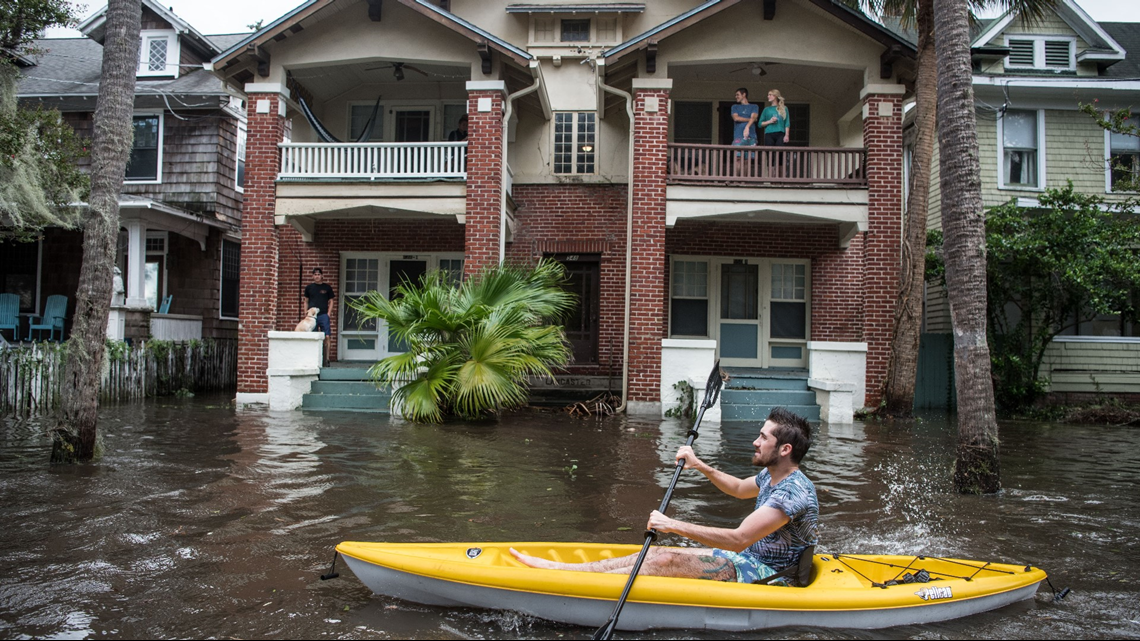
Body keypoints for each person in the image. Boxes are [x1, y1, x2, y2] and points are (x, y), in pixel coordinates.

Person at [511, 407, 818, 583]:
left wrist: (673, 525)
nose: (755, 442)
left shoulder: (793, 493)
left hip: (775, 576)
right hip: (752, 560)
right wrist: (699, 466)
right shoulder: (773, 475)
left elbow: (739, 539)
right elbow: (738, 488)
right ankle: (565, 571)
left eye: (763, 438)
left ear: (784, 449)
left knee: (666, 559)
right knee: (654, 553)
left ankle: (583, 586)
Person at [303, 268, 335, 338]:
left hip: (323, 315)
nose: (317, 276)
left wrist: (328, 313)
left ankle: (327, 349)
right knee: (313, 336)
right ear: (312, 276)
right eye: (315, 275)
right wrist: (306, 312)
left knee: (327, 336)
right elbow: (306, 301)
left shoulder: (327, 287)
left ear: (322, 276)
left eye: (318, 274)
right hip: (312, 316)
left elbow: (331, 301)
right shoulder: (309, 288)